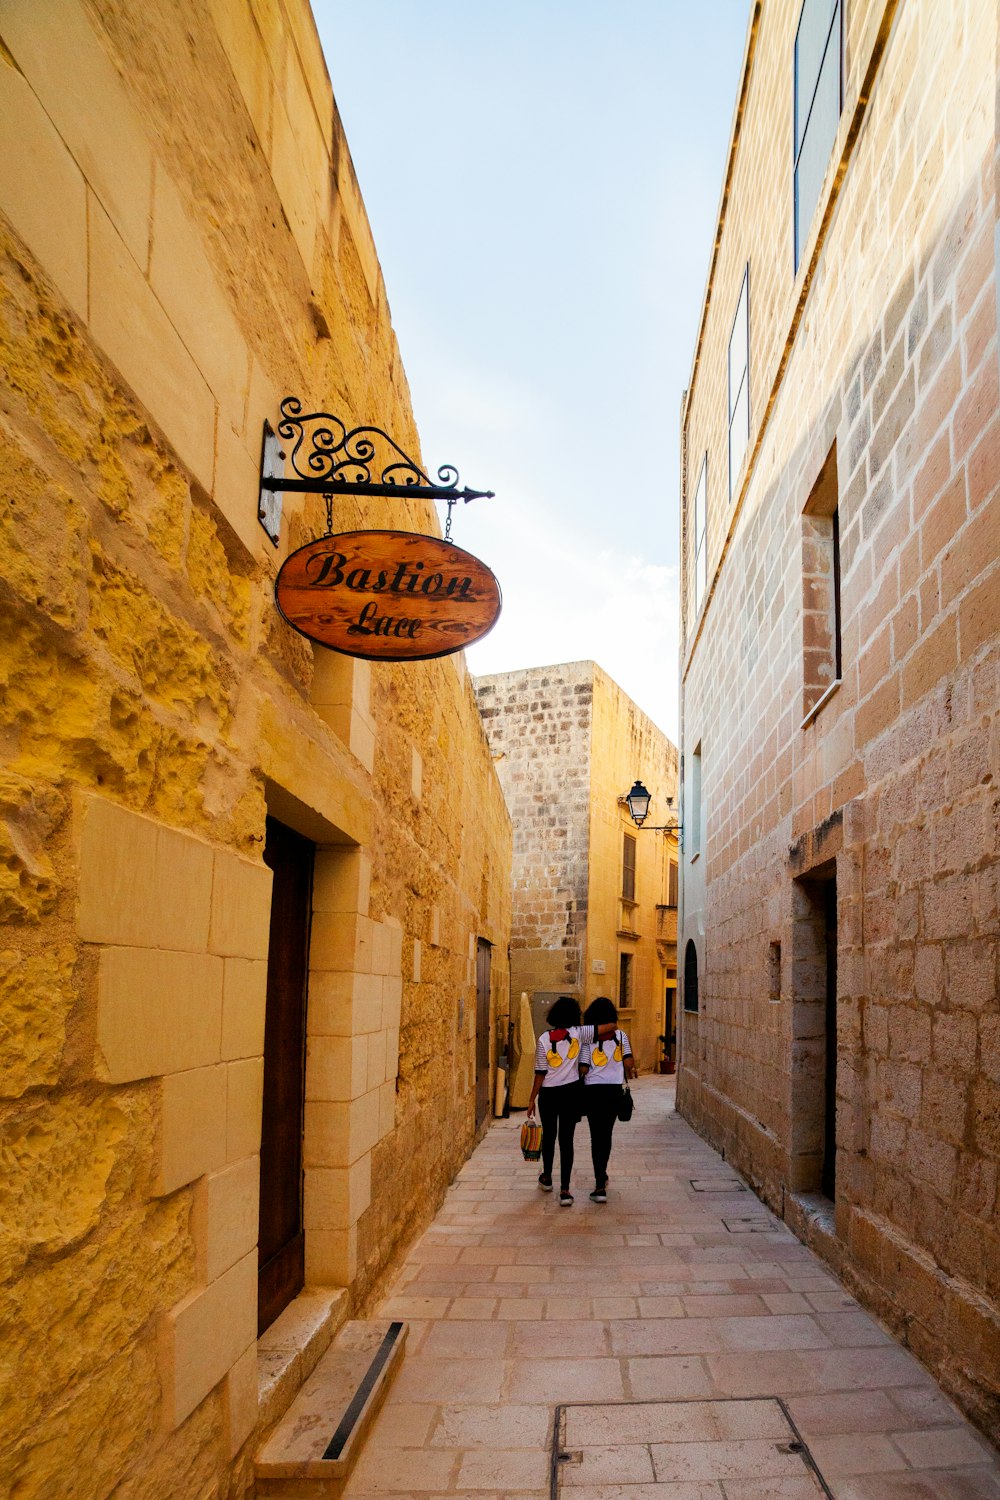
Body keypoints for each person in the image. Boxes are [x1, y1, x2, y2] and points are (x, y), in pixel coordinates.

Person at [525, 997, 619, 1206]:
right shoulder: (580, 1033)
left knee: (549, 1137)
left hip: (548, 1094)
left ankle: (547, 1177)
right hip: (570, 1094)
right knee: (566, 1140)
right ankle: (565, 1190)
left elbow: (540, 1072)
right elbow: (611, 1026)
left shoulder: (543, 1039)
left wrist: (532, 1099)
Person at [579, 996, 636, 1203]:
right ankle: (602, 1178)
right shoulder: (621, 1036)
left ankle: (599, 1182)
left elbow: (584, 1068)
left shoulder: (587, 1039)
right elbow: (629, 1062)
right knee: (606, 1134)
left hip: (592, 1092)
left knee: (596, 1136)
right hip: (613, 1091)